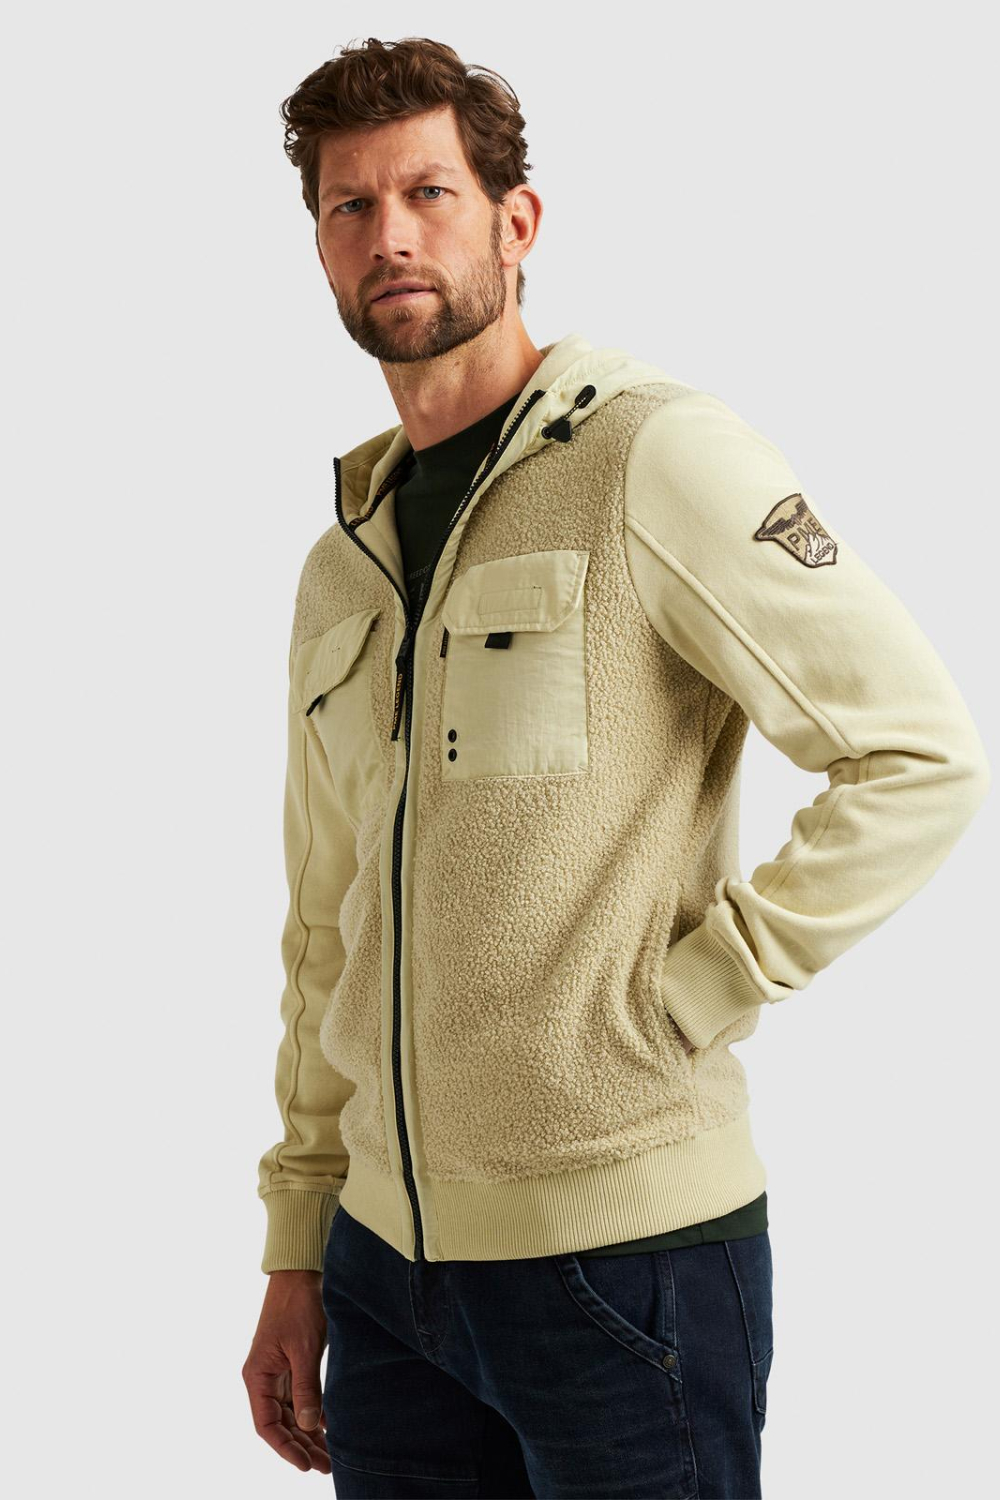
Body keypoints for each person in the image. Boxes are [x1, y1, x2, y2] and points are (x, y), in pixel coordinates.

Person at [241, 36, 990, 1500]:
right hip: (383, 1278)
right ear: (320, 245)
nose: (390, 235)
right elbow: (326, 926)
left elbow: (920, 753)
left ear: (515, 222)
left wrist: (694, 994)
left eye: (429, 193)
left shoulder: (655, 460)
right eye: (349, 206)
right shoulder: (342, 567)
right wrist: (299, 1237)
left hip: (625, 1269)